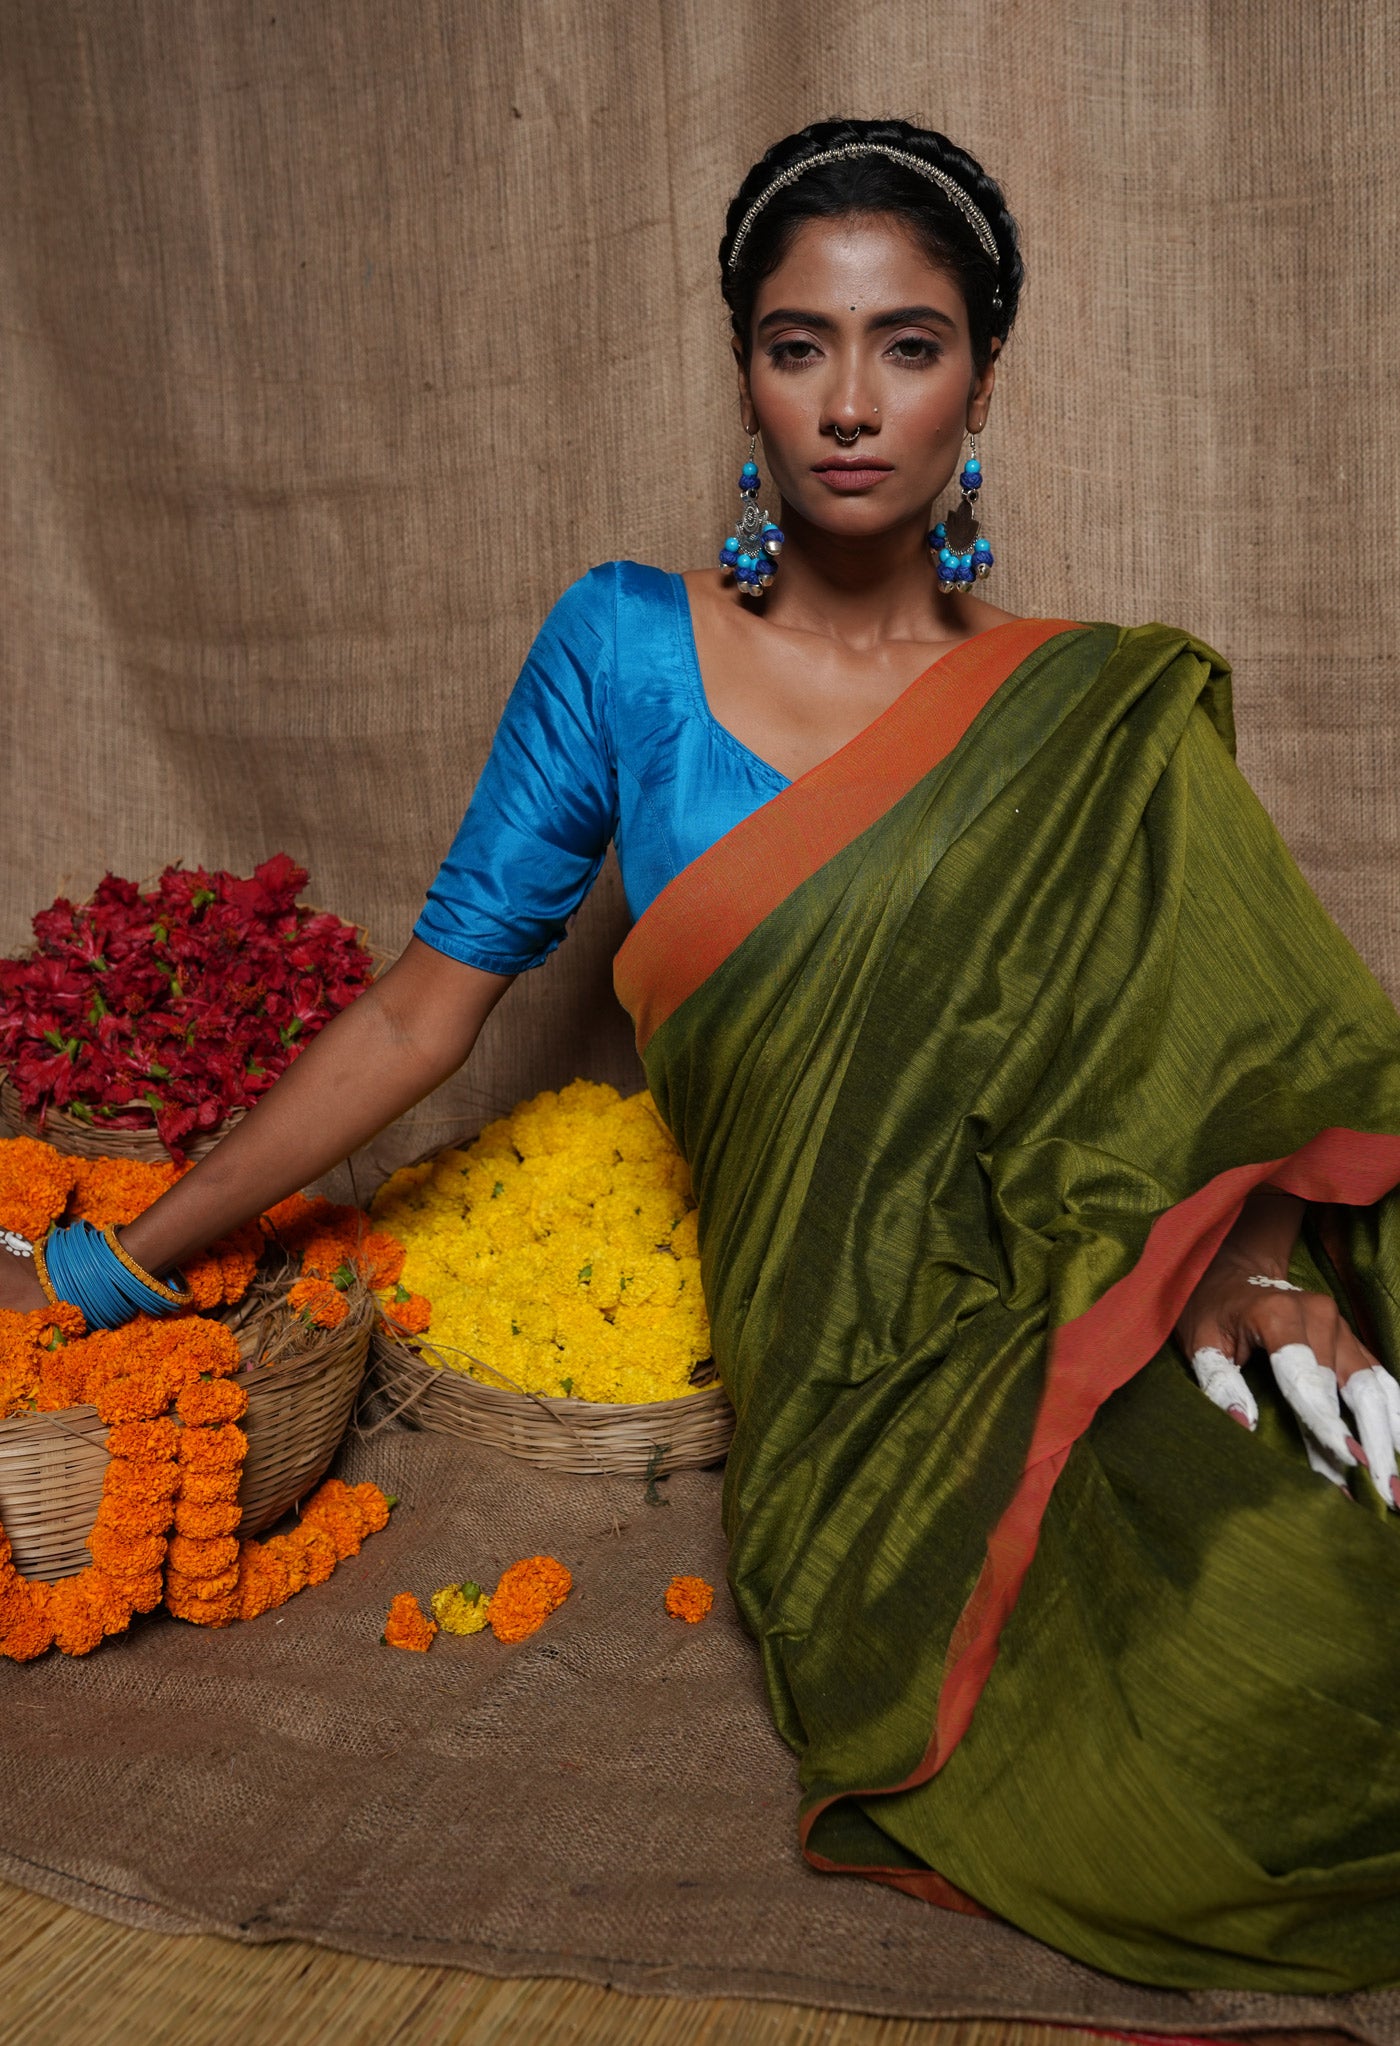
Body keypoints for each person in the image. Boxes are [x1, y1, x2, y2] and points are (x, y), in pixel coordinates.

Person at [5, 116, 1400, 1992]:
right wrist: (126, 1253)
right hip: (857, 1379)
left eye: (906, 343)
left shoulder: (1092, 712)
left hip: (1102, 1289)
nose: (847, 400)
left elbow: (1228, 1055)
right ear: (740, 368)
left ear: (981, 376)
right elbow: (428, 1012)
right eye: (794, 341)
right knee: (1238, 1701)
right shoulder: (624, 654)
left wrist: (1250, 1256)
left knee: (1322, 1588)